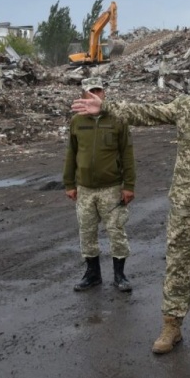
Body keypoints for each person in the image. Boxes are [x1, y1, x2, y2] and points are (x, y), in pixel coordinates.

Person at [71, 57, 190, 354]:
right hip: (185, 203)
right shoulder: (187, 106)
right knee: (178, 264)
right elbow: (147, 113)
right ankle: (171, 325)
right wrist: (106, 107)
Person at [63, 77, 136, 293]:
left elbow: (127, 154)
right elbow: (71, 153)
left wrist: (129, 185)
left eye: (99, 91)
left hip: (111, 188)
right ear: (84, 95)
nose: (96, 94)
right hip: (85, 189)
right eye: (91, 91)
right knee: (86, 232)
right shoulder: (77, 121)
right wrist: (69, 183)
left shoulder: (117, 120)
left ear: (104, 94)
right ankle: (92, 274)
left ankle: (120, 275)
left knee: (116, 231)